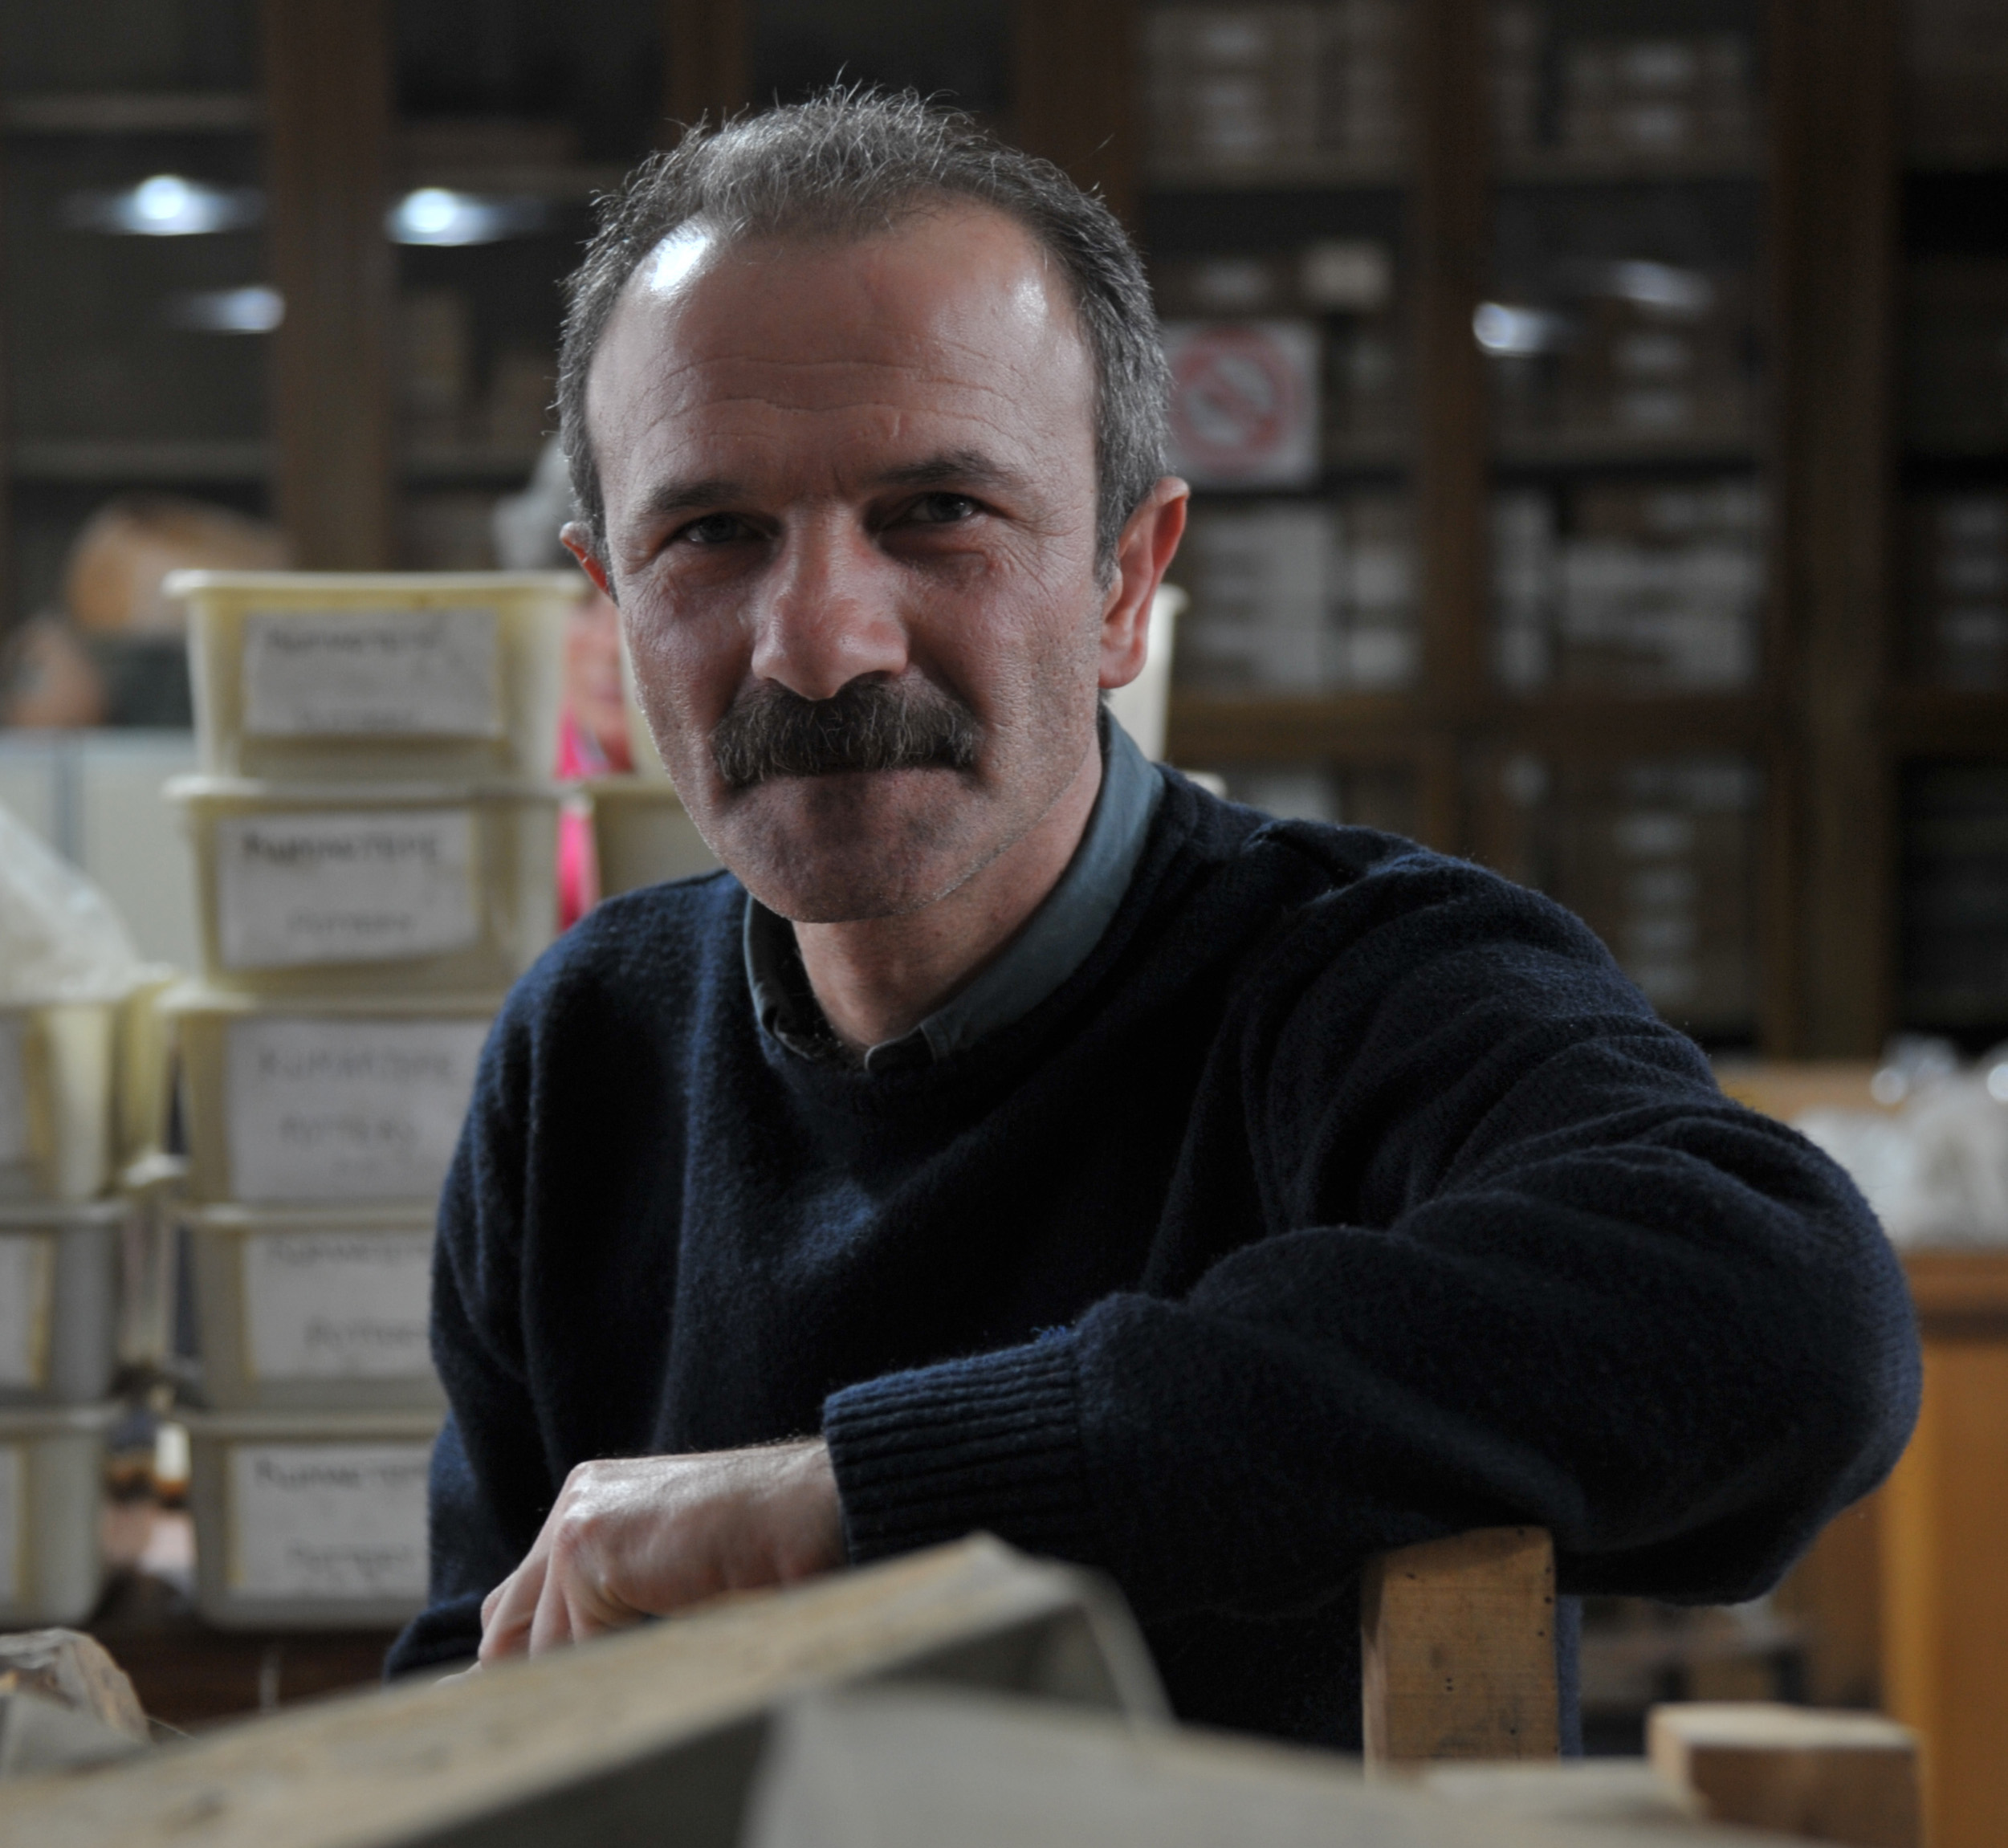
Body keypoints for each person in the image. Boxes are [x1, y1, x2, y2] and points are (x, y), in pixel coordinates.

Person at [387, 91, 1919, 1748]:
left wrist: (872, 1496)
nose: (820, 643)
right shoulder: (587, 1045)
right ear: (610, 604)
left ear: (1124, 582)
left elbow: (1788, 1322)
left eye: (938, 513)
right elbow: (466, 1695)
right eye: (710, 535)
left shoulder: (1366, 987)